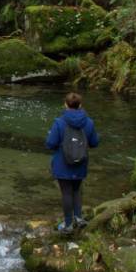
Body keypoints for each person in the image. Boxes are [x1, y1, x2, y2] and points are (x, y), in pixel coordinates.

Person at [45, 91, 100, 234]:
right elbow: (94, 143)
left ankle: (68, 224)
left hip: (63, 164)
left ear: (65, 104)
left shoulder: (59, 122)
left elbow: (50, 144)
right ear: (80, 105)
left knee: (66, 193)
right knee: (76, 190)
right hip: (80, 162)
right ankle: (79, 218)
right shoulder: (89, 122)